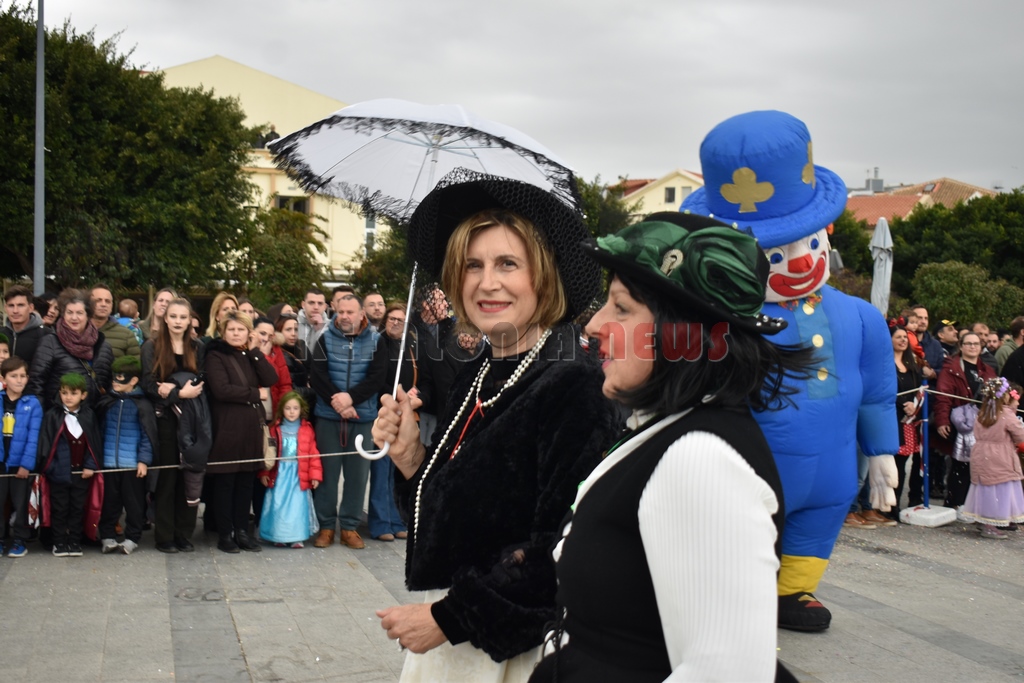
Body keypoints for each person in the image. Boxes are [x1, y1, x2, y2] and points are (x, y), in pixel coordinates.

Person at [528, 213, 806, 682]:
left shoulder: (700, 459)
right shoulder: (670, 431)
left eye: (621, 307)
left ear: (682, 332)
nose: (594, 324)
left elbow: (726, 674)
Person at [372, 171, 620, 681]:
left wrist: (448, 619)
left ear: (543, 275)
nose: (487, 283)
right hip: (455, 636)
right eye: (472, 265)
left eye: (508, 263)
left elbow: (562, 549)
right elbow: (452, 519)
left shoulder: (573, 383)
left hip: (518, 652)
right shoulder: (478, 373)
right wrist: (411, 457)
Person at [680, 111, 899, 632]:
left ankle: (792, 590)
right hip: (751, 464)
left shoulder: (861, 316)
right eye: (778, 253)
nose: (801, 261)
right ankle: (736, 590)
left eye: (811, 243)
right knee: (744, 527)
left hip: (834, 466)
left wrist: (881, 450)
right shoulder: (724, 320)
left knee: (821, 520)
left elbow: (876, 390)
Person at [308, 291, 382, 550]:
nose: (345, 316)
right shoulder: (325, 338)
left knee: (357, 476)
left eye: (350, 312)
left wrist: (351, 399)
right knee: (327, 474)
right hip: (329, 416)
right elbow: (317, 376)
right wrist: (338, 403)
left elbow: (377, 377)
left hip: (362, 417)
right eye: (341, 311)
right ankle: (326, 526)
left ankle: (349, 527)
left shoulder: (376, 340)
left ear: (362, 314)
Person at [204, 311, 278, 553]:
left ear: (249, 332)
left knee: (245, 482)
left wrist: (256, 351)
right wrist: (255, 394)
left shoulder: (249, 355)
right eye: (231, 329)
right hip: (227, 427)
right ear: (223, 332)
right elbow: (221, 389)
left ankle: (242, 532)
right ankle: (225, 534)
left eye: (241, 329)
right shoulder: (215, 355)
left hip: (250, 429)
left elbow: (271, 377)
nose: (236, 334)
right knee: (225, 483)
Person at [140, 298, 205, 553]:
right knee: (167, 479)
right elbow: (148, 384)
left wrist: (173, 388)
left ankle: (184, 533)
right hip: (165, 419)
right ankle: (165, 535)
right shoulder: (151, 346)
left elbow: (201, 380)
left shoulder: (197, 347)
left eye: (183, 317)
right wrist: (179, 394)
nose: (178, 321)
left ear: (190, 320)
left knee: (189, 477)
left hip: (192, 419)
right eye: (174, 316)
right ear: (165, 318)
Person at [36, 373, 102, 557]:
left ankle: (74, 541)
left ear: (83, 395)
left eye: (73, 393)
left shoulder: (89, 416)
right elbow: (46, 444)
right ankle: (58, 542)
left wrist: (90, 465)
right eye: (64, 392)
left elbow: (94, 443)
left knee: (77, 508)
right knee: (60, 508)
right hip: (58, 474)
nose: (68, 397)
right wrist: (51, 469)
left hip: (81, 473)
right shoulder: (52, 416)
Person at [97, 356, 157, 555]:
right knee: (109, 503)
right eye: (114, 376)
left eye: (121, 377)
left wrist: (143, 460)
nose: (115, 381)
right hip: (108, 463)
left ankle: (132, 537)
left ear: (134, 380)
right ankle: (107, 536)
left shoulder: (142, 404)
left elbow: (147, 435)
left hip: (132, 465)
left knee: (134, 504)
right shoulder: (108, 402)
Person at [935, 332, 997, 511]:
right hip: (961, 423)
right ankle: (954, 502)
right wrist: (942, 420)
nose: (972, 347)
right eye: (968, 343)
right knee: (960, 464)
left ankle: (974, 505)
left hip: (983, 423)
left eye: (976, 344)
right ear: (961, 346)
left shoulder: (988, 369)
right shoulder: (950, 368)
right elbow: (943, 396)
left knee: (980, 464)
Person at [367, 301, 413, 542]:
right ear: (386, 321)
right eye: (392, 319)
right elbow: (377, 378)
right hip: (383, 411)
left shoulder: (409, 345)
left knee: (397, 472)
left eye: (400, 320)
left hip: (404, 412)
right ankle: (380, 522)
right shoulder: (378, 343)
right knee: (382, 470)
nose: (396, 323)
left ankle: (397, 520)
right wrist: (394, 398)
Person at [27, 288, 114, 410]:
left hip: (93, 417)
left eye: (79, 313)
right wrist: (45, 415)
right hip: (58, 416)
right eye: (69, 312)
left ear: (88, 315)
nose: (74, 317)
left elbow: (110, 385)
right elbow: (36, 383)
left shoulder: (103, 346)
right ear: (63, 314)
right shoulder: (50, 343)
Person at [258, 392, 322, 548]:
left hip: (298, 475)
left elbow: (313, 454)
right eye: (288, 408)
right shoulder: (275, 429)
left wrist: (315, 475)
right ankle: (278, 535)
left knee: (297, 505)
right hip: (279, 474)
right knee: (277, 504)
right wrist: (265, 472)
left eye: (295, 408)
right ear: (281, 409)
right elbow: (268, 453)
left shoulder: (307, 429)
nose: (292, 412)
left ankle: (296, 536)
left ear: (301, 410)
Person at [962, 378, 1024, 538]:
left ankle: (983, 520)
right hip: (1000, 456)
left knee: (985, 488)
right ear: (1005, 396)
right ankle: (992, 523)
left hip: (981, 453)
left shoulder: (983, 412)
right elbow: (1020, 435)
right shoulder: (1007, 415)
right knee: (1001, 488)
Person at [0, 356, 42, 558]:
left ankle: (20, 539)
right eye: (13, 376)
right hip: (1, 462)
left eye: (23, 376)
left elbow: (34, 437)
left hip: (21, 465)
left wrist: (26, 464)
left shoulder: (33, 404)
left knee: (21, 503)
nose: (19, 380)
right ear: (3, 378)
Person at [3, 285, 52, 367]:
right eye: (11, 305)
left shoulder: (47, 335)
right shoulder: (1, 334)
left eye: (20, 305)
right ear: (5, 308)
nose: (15, 311)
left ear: (31, 308)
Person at [90, 284, 140, 359]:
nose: (103, 304)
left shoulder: (127, 335)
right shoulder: (77, 331)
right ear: (88, 303)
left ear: (112, 305)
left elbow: (135, 364)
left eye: (107, 301)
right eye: (98, 300)